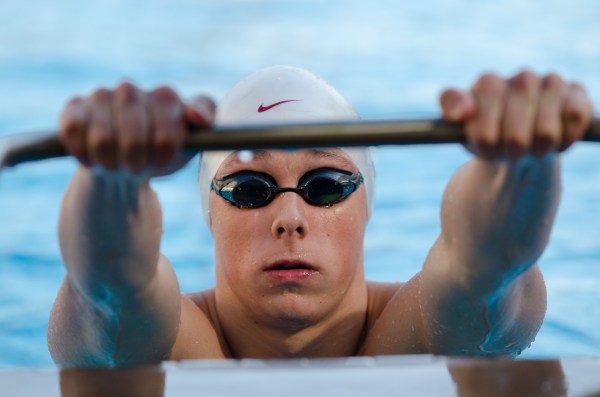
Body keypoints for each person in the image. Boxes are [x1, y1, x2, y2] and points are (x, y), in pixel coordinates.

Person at [48, 65, 594, 367]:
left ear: (366, 206)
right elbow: (110, 291)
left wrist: (520, 166)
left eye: (326, 185)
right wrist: (112, 178)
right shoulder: (175, 344)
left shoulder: (425, 328)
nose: (289, 216)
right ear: (210, 212)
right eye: (248, 187)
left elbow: (489, 269)